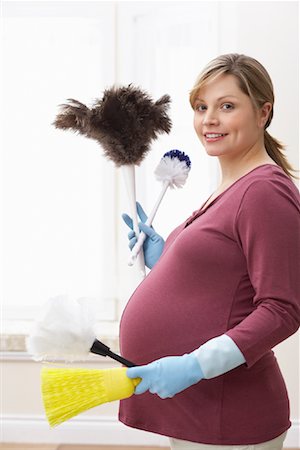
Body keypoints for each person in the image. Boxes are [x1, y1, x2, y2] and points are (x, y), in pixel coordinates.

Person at [119, 53, 300, 450]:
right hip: (200, 410)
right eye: (202, 107)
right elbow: (222, 282)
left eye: (227, 106)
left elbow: (282, 309)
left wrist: (193, 366)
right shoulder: (231, 186)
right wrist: (164, 258)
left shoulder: (264, 191)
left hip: (229, 413)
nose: (209, 120)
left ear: (263, 112)